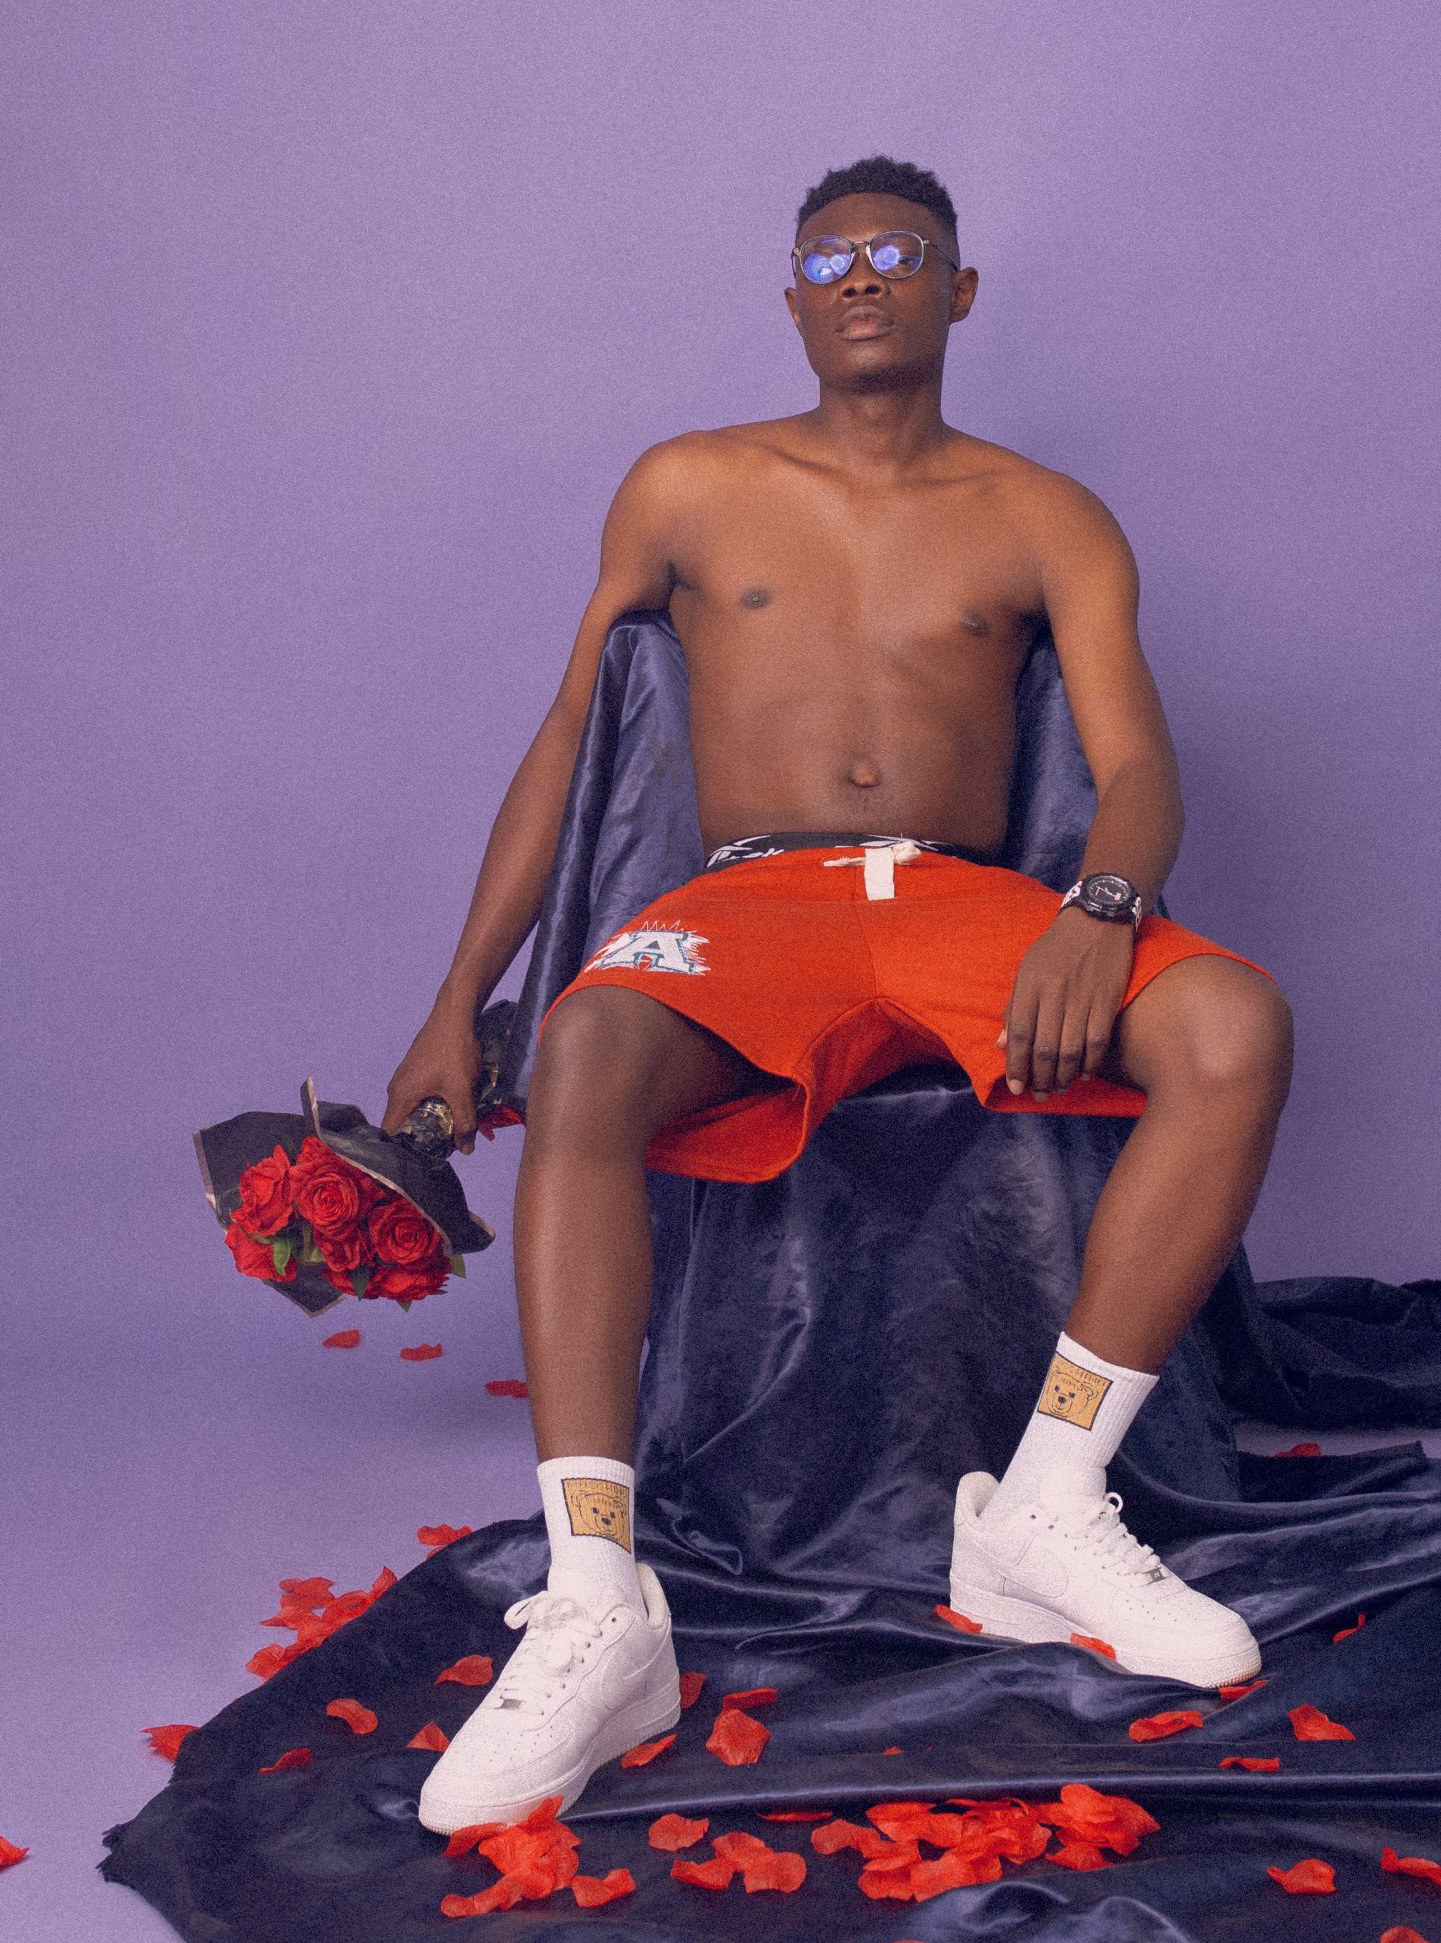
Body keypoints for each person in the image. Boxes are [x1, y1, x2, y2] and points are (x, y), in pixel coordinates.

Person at [383, 154, 1294, 1835]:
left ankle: (1044, 1503)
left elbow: (1135, 763)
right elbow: (568, 741)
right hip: (755, 906)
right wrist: (459, 996)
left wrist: (1100, 907)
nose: (861, 274)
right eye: (828, 257)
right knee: (584, 1051)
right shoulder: (684, 484)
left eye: (898, 250)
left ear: (958, 290)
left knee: (1232, 1026)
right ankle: (597, 1604)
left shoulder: (1043, 513)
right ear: (793, 297)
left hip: (960, 903)